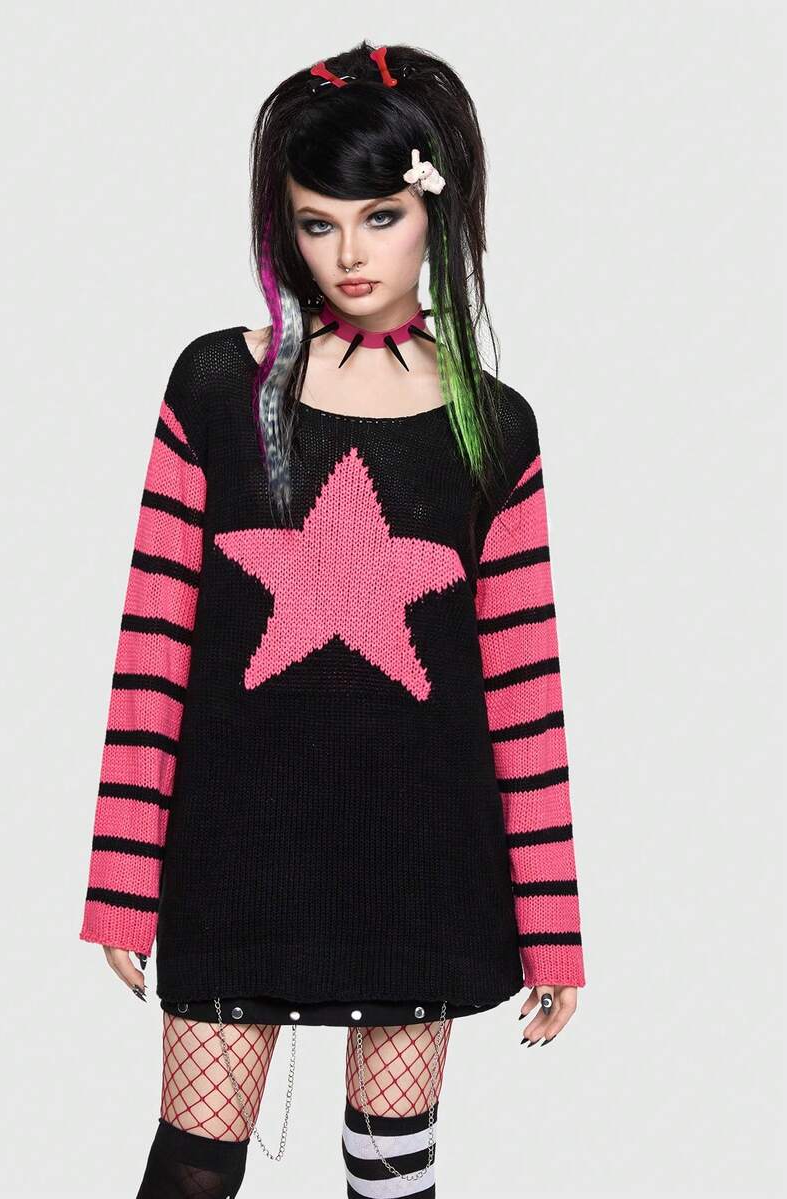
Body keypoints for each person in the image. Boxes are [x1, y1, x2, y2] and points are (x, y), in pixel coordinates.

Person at [79, 39, 587, 1199]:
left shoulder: (494, 426)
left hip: (420, 864)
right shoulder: (218, 387)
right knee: (193, 1167)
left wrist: (553, 925)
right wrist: (121, 880)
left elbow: (523, 695)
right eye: (318, 223)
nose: (351, 255)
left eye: (380, 217)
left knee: (391, 1177)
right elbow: (154, 648)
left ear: (437, 213)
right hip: (235, 858)